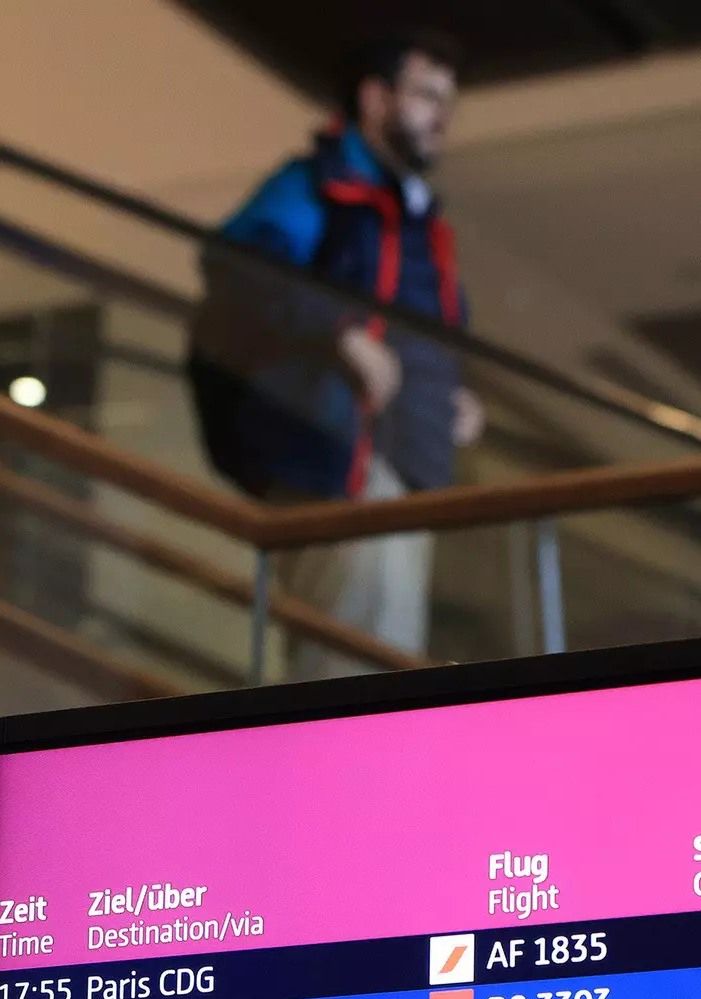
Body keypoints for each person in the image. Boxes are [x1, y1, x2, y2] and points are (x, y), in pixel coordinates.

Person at [188, 33, 483, 675]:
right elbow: (240, 269)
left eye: (447, 102)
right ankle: (336, 780)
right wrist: (342, 333)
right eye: (427, 95)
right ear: (375, 99)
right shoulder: (318, 187)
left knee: (386, 666)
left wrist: (451, 395)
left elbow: (434, 327)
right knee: (348, 672)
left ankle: (362, 778)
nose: (442, 116)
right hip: (336, 458)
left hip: (408, 468)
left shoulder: (415, 218)